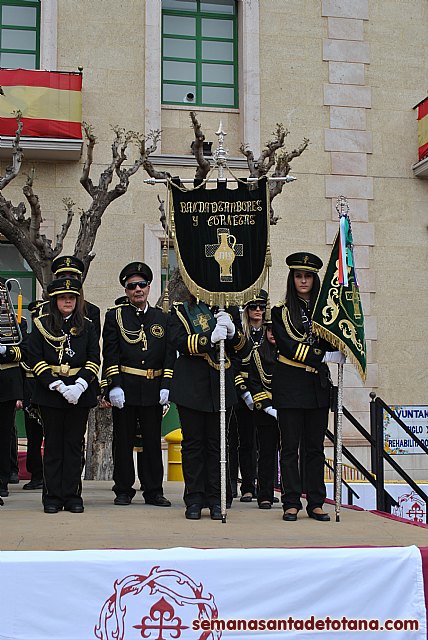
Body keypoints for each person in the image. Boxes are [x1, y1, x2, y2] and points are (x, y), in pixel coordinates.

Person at [272, 252, 344, 522]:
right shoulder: (280, 312)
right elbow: (289, 347)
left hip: (316, 386)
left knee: (315, 448)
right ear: (292, 279)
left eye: (308, 276)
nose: (303, 281)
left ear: (315, 280)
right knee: (290, 447)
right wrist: (323, 356)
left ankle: (316, 501)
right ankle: (290, 502)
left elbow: (332, 340)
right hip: (290, 384)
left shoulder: (326, 313)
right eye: (299, 276)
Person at [168, 292, 249, 520]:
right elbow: (178, 341)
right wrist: (208, 338)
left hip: (220, 386)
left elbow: (243, 350)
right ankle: (194, 498)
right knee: (193, 445)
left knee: (218, 445)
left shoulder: (229, 310)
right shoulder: (181, 310)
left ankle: (217, 498)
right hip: (191, 386)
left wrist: (233, 334)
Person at [102, 262, 173, 507]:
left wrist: (167, 384)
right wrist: (113, 386)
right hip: (127, 387)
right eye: (132, 286)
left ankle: (153, 490)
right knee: (123, 441)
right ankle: (123, 489)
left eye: (142, 285)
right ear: (126, 290)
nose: (138, 290)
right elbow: (110, 353)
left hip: (153, 388)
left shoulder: (162, 318)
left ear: (149, 288)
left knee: (152, 442)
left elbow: (168, 354)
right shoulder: (115, 316)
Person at [28, 278, 100, 513]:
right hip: (51, 393)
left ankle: (72, 496)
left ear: (77, 300)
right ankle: (52, 496)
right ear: (54, 300)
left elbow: (93, 359)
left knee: (74, 446)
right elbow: (35, 359)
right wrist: (58, 386)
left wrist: (79, 386)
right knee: (53, 446)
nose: (67, 301)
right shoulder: (41, 325)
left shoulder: (87, 326)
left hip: (79, 393)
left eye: (71, 297)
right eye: (62, 297)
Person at [231, 290, 268, 502]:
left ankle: (260, 486)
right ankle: (244, 486)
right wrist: (244, 392)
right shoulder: (240, 332)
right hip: (242, 390)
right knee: (242, 441)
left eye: (261, 307)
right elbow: (234, 362)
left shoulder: (268, 332)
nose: (258, 311)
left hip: (264, 392)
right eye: (253, 307)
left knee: (262, 442)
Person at [0, 277, 27, 498]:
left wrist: (4, 351)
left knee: (4, 434)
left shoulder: (14, 322)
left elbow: (22, 351)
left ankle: (2, 480)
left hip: (7, 384)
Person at [249, 320, 280, 509]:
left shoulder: (289, 352)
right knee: (266, 455)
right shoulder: (258, 354)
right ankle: (265, 495)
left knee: (288, 455)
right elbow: (254, 382)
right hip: (266, 412)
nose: (272, 333)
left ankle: (289, 493)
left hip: (287, 410)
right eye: (269, 329)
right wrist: (268, 407)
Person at [36, 255, 101, 339]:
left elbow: (93, 346)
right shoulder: (43, 310)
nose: (68, 280)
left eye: (72, 276)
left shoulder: (92, 311)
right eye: (63, 276)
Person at [20, 300, 45, 490]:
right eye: (35, 316)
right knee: (33, 435)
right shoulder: (26, 340)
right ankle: (36, 474)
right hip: (30, 386)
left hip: (47, 386)